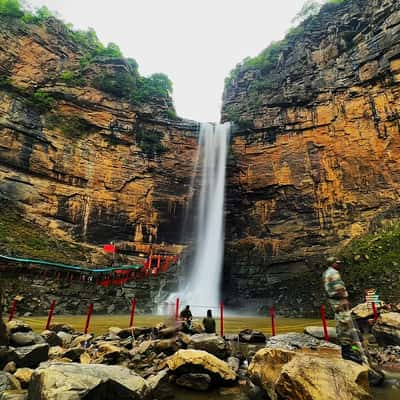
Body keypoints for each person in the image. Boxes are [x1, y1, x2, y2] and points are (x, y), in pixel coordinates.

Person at [322, 258, 368, 365]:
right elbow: (339, 289)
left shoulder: (327, 273)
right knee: (345, 324)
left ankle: (348, 349)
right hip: (339, 301)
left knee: (341, 323)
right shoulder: (334, 273)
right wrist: (344, 299)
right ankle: (347, 352)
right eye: (337, 263)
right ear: (333, 263)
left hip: (334, 301)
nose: (340, 264)